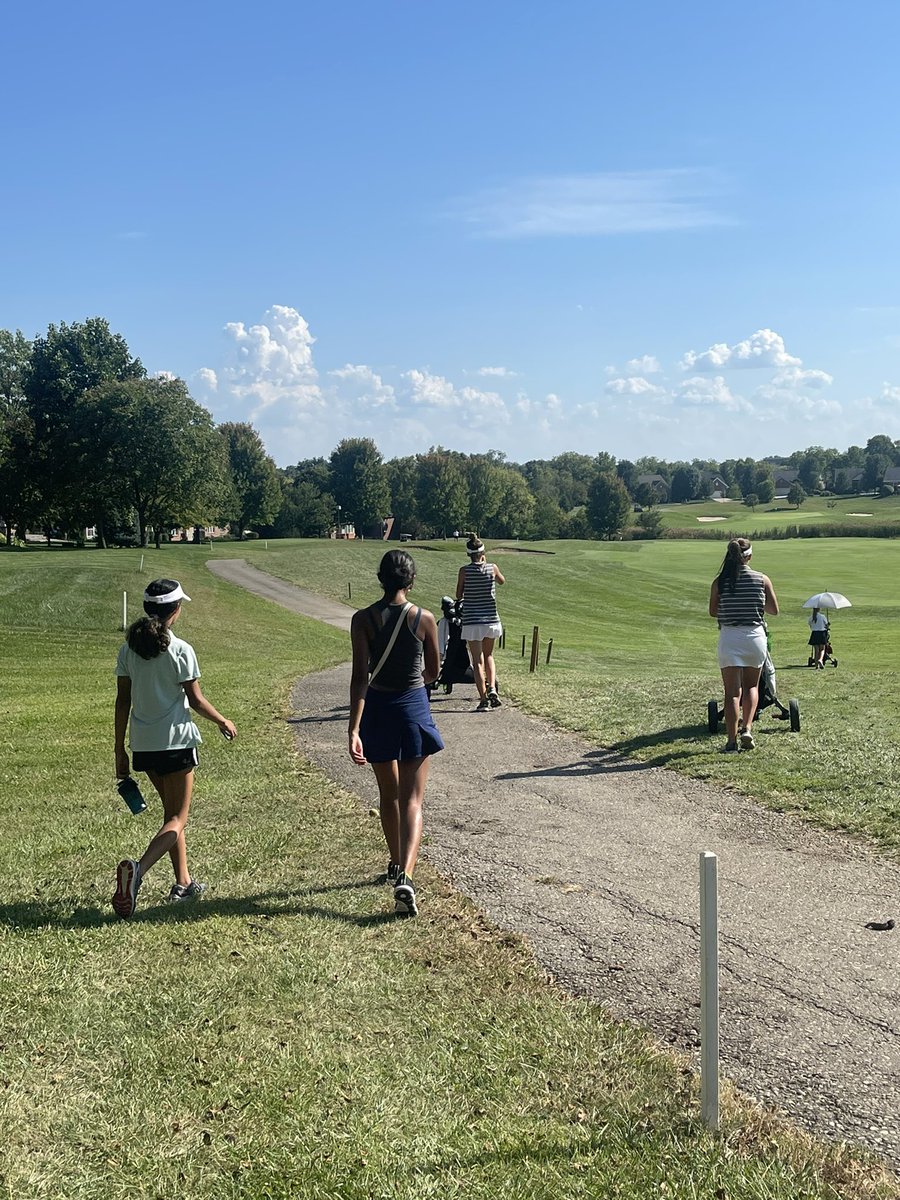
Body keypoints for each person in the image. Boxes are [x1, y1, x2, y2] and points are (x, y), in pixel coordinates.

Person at [113, 578, 237, 918]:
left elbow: (122, 701)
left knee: (171, 817)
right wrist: (223, 720)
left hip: (144, 747)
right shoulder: (181, 650)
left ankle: (183, 883)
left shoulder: (128, 650)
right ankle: (137, 871)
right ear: (175, 611)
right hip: (177, 743)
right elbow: (196, 700)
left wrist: (118, 750)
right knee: (178, 819)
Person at [348, 550, 443, 917]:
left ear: (380, 578)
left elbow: (360, 677)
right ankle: (406, 875)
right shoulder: (424, 619)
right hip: (413, 709)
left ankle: (394, 862)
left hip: (378, 710)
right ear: (411, 580)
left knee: (387, 796)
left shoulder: (363, 620)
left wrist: (354, 727)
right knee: (412, 800)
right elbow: (434, 672)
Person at [708, 538, 779, 752]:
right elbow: (774, 609)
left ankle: (731, 741)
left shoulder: (720, 581)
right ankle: (747, 728)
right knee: (751, 686)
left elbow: (713, 612)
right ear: (748, 556)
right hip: (755, 637)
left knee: (732, 693)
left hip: (730, 637)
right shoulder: (762, 579)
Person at [456, 534, 505, 712]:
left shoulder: (464, 571)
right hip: (491, 619)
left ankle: (483, 699)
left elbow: (458, 595)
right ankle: (492, 687)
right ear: (483, 552)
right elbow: (502, 581)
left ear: (468, 554)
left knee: (477, 661)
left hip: (472, 621)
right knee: (489, 655)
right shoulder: (492, 568)